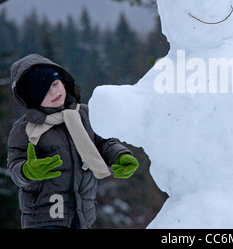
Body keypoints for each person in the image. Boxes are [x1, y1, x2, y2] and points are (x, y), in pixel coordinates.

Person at [7, 53, 139, 229]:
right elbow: (15, 166)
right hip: (43, 218)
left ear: (63, 82)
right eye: (44, 91)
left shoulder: (84, 114)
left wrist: (120, 155)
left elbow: (104, 142)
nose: (54, 92)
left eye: (55, 84)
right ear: (33, 100)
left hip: (82, 214)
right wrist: (28, 171)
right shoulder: (24, 128)